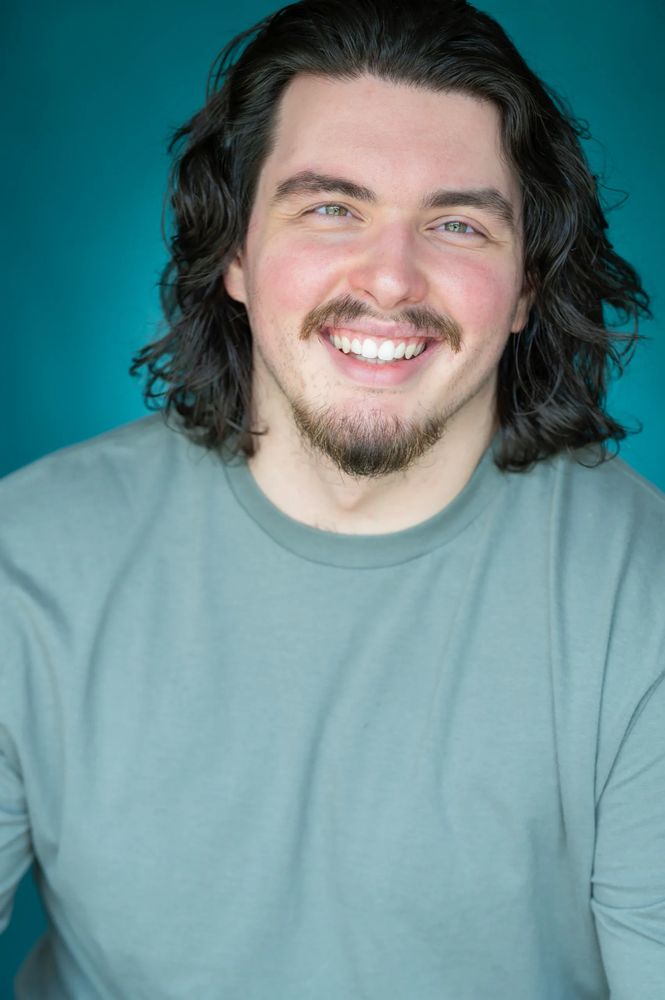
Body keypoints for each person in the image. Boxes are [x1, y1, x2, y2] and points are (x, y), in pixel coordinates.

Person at [1, 0, 663, 996]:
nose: (390, 281)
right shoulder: (24, 563)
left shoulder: (643, 602)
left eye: (455, 223)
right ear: (234, 252)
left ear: (525, 286)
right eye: (330, 208)